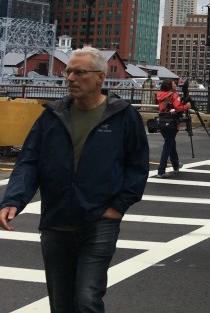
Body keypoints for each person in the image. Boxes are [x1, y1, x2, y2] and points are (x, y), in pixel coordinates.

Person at [0, 46, 149, 312]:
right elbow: (29, 162)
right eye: (69, 72)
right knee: (61, 303)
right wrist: (13, 200)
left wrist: (117, 208)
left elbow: (137, 167)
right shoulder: (51, 116)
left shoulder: (123, 116)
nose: (70, 78)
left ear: (100, 78)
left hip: (99, 222)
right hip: (56, 222)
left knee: (87, 299)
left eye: (79, 73)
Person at [155, 79, 191, 178]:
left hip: (162, 121)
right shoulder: (174, 95)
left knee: (171, 143)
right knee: (168, 145)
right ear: (170, 86)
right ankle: (161, 170)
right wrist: (187, 106)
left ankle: (175, 165)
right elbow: (178, 108)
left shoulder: (160, 94)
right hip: (171, 122)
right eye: (174, 83)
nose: (175, 84)